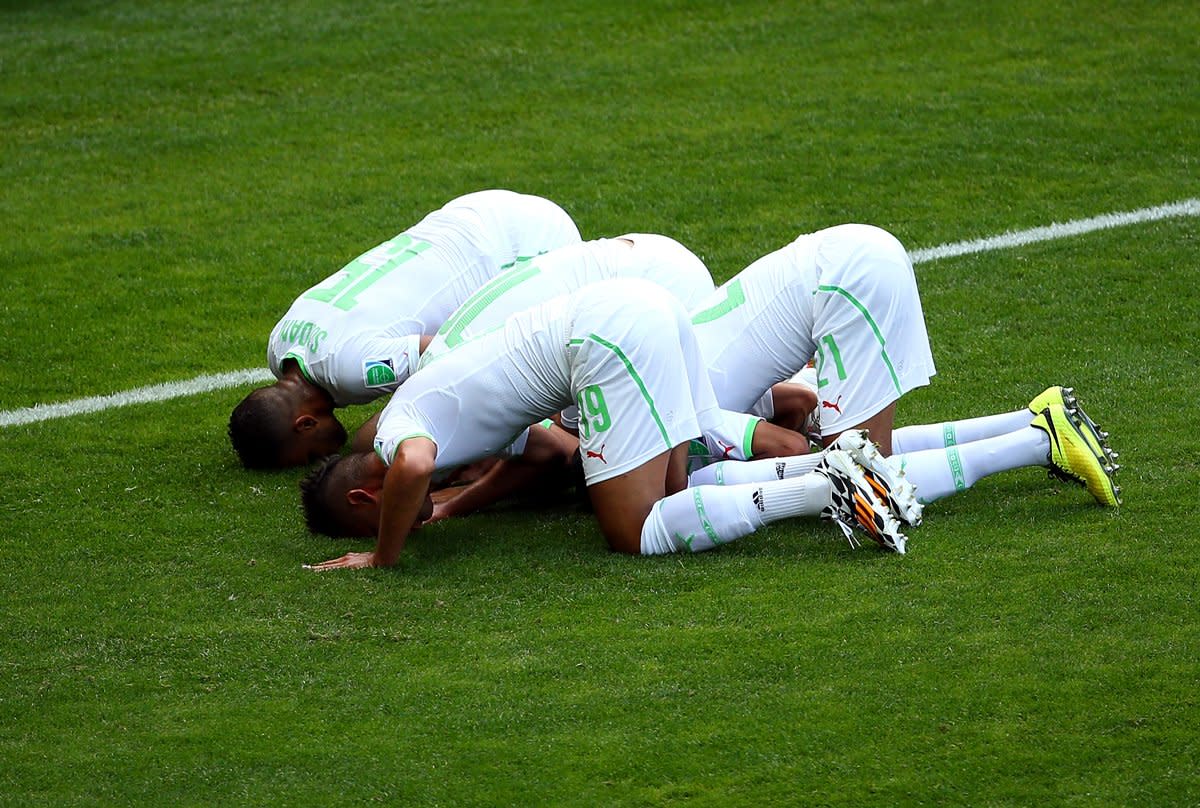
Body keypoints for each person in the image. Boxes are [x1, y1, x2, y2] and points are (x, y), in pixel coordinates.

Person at [300, 279, 920, 571]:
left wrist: (383, 556)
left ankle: (823, 489)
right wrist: (456, 508)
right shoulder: (436, 408)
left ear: (364, 496)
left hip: (608, 338)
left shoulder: (396, 431)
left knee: (633, 533)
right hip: (644, 307)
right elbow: (545, 453)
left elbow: (412, 468)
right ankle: (834, 469)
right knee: (678, 500)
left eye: (374, 517)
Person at [228, 190, 581, 469]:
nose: (319, 458)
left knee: (548, 389)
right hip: (473, 213)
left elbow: (450, 352)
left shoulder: (352, 371)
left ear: (305, 424)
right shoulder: (279, 345)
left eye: (308, 456)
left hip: (527, 246)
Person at [690, 223, 936, 455]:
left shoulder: (684, 416)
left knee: (860, 468)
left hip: (845, 278)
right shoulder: (682, 374)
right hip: (853, 251)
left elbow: (792, 447)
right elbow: (800, 401)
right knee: (867, 459)